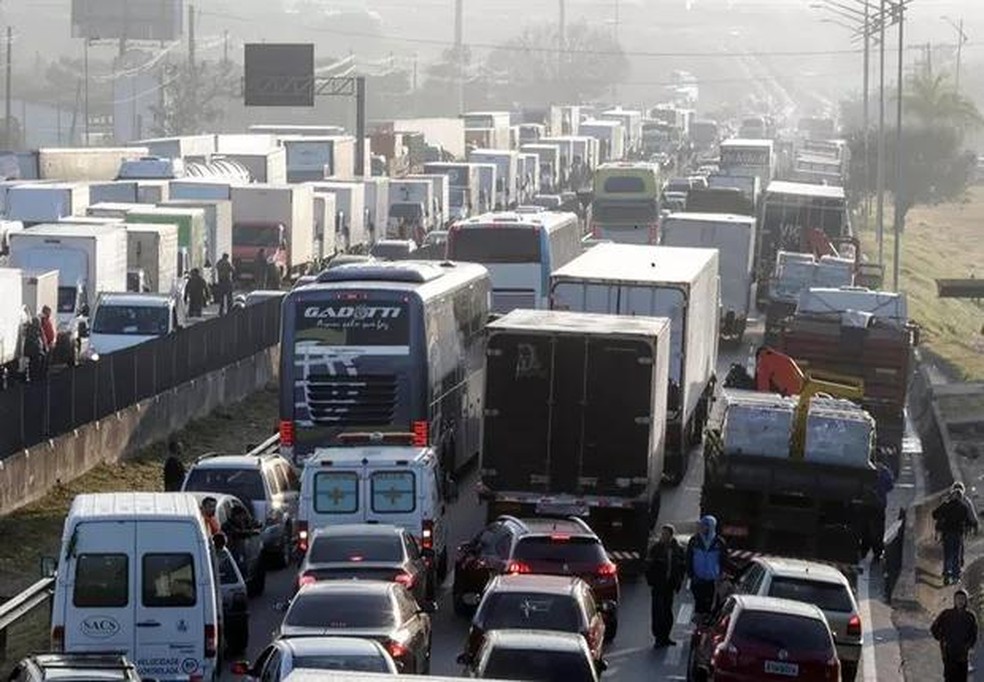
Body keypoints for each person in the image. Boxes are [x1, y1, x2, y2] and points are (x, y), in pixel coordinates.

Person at [646, 524, 686, 648]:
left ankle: (666, 637)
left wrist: (678, 581)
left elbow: (681, 567)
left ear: (670, 535)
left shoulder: (678, 549)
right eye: (662, 534)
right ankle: (658, 638)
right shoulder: (656, 549)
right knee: (658, 612)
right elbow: (648, 566)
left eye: (665, 534)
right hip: (658, 586)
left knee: (667, 612)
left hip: (670, 586)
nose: (663, 536)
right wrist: (651, 581)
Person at [934, 483, 979, 584]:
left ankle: (947, 573)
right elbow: (970, 516)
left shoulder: (946, 503)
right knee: (957, 554)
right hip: (959, 533)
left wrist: (938, 528)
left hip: (946, 533)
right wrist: (973, 525)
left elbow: (936, 515)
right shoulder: (965, 504)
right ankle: (956, 575)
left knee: (947, 554)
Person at [931, 588, 978, 682]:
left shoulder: (970, 616)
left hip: (963, 655)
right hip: (949, 654)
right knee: (949, 678)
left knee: (961, 678)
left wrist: (968, 645)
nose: (960, 601)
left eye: (962, 599)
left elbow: (974, 634)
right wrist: (942, 639)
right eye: (958, 598)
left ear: (966, 600)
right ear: (954, 600)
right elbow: (934, 628)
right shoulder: (947, 614)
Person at [686, 515, 729, 616]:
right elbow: (688, 558)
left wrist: (721, 574)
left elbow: (724, 560)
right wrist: (691, 574)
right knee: (699, 604)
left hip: (712, 580)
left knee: (709, 606)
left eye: (706, 525)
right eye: (702, 525)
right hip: (697, 579)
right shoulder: (694, 541)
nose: (703, 528)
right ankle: (699, 623)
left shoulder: (719, 543)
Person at [870, 460, 895, 561]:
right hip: (879, 504)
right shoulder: (885, 472)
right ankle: (877, 552)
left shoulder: (868, 468)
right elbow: (890, 486)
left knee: (869, 527)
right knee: (878, 529)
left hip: (867, 503)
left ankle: (867, 548)